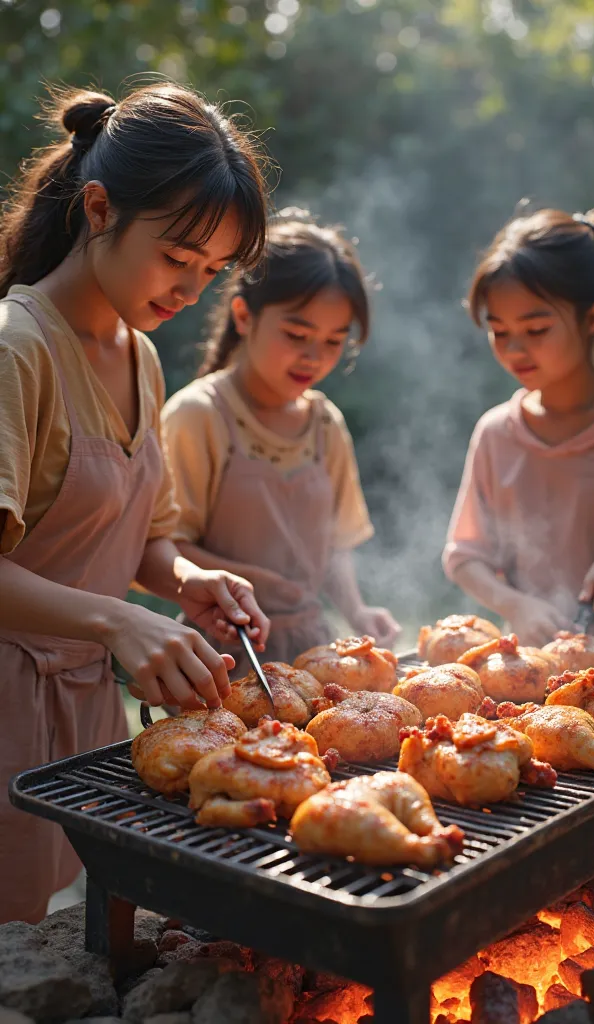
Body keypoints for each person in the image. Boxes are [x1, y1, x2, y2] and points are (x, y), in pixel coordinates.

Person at [0, 82, 272, 923]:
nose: (189, 287)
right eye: (176, 256)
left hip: (82, 707)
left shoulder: (142, 357)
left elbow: (147, 537)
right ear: (99, 207)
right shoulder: (19, 348)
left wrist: (190, 580)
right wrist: (118, 621)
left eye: (211, 270)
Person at [162, 208, 400, 672]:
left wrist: (356, 610)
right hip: (220, 658)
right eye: (297, 334)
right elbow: (159, 549)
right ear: (244, 315)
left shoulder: (325, 424)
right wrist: (250, 583)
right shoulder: (200, 417)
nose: (314, 357)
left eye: (334, 342)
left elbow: (334, 546)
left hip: (314, 655)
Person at [443, 198, 594, 647]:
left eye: (535, 330)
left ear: (592, 317)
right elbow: (465, 557)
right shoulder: (497, 433)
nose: (515, 350)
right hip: (527, 675)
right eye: (500, 332)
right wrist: (515, 604)